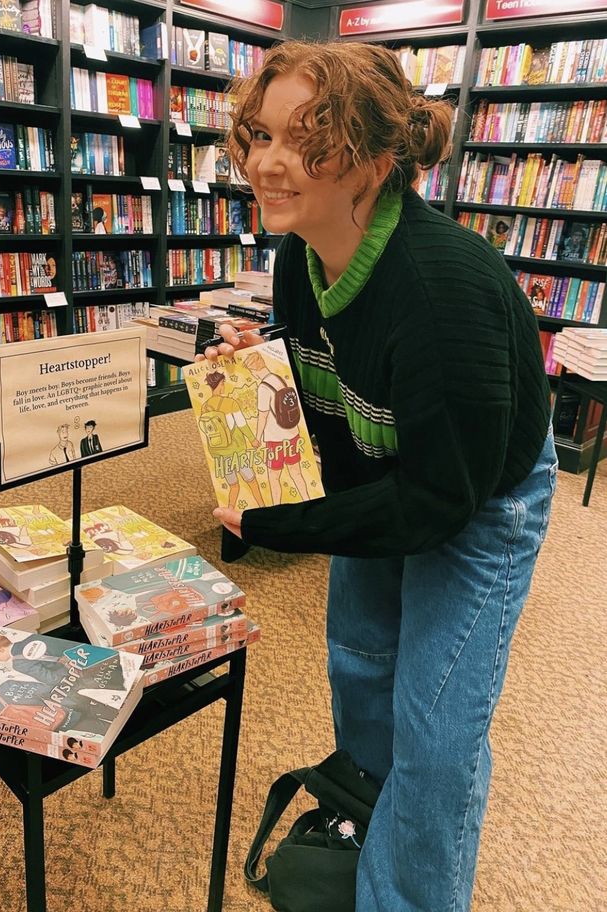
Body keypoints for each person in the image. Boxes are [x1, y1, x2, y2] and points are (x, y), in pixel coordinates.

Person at [199, 40, 557, 912]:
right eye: (259, 135)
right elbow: (334, 390)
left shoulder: (442, 291)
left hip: (477, 501)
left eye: (306, 140)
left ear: (377, 157)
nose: (268, 164)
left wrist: (279, 525)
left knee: (436, 731)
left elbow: (438, 504)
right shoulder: (298, 254)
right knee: (358, 665)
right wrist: (267, 376)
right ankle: (363, 815)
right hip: (379, 475)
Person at [243, 350, 309, 503]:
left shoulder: (263, 387)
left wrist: (257, 438)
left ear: (254, 369)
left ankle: (276, 506)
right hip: (292, 433)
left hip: (275, 439)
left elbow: (263, 416)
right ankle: (307, 500)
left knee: (273, 476)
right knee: (296, 472)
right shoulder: (278, 378)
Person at [199, 369, 267, 510]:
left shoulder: (205, 406)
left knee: (233, 485)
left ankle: (230, 509)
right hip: (236, 451)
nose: (224, 386)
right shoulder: (230, 403)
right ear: (220, 383)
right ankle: (263, 507)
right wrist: (253, 439)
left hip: (220, 454)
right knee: (252, 481)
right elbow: (241, 424)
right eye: (223, 382)